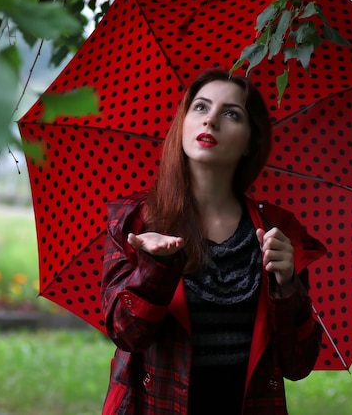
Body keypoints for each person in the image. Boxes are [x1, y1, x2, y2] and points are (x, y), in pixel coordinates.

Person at [100, 68, 327, 414]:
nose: (211, 121)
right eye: (201, 108)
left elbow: (298, 364)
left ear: (251, 139)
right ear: (184, 122)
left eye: (231, 113)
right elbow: (125, 334)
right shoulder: (134, 220)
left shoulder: (277, 231)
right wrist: (156, 269)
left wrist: (286, 287)